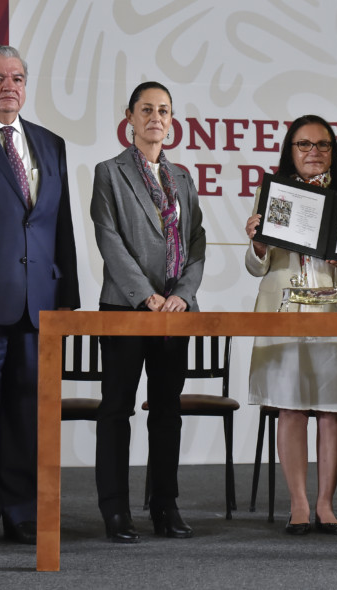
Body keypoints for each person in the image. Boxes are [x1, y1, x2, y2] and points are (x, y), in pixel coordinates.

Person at [0, 45, 80, 547]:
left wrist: (67, 294)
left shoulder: (50, 143)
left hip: (39, 304)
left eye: (17, 77)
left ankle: (23, 511)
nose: (9, 85)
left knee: (30, 412)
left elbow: (60, 226)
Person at [90, 81, 206, 543]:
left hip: (175, 310)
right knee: (116, 409)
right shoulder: (109, 172)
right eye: (146, 110)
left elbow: (196, 242)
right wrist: (146, 296)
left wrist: (183, 293)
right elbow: (108, 238)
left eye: (164, 111)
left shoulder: (182, 178)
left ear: (172, 121)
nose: (155, 118)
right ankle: (115, 510)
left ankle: (165, 505)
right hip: (126, 307)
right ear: (130, 117)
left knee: (166, 411)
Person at [244, 115, 337, 535]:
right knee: (291, 406)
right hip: (284, 308)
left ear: (333, 151)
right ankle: (298, 503)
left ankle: (325, 505)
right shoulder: (273, 191)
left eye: (322, 145)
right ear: (289, 150)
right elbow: (255, 265)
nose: (313, 152)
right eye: (303, 145)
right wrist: (259, 243)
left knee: (333, 411)